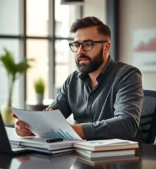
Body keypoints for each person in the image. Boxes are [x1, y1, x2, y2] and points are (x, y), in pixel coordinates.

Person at [13, 16, 143, 141]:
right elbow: (51, 116)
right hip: (79, 156)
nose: (80, 51)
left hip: (117, 159)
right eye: (76, 45)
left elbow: (127, 124)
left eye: (87, 44)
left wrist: (71, 130)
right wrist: (30, 126)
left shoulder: (127, 75)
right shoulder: (73, 80)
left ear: (106, 47)